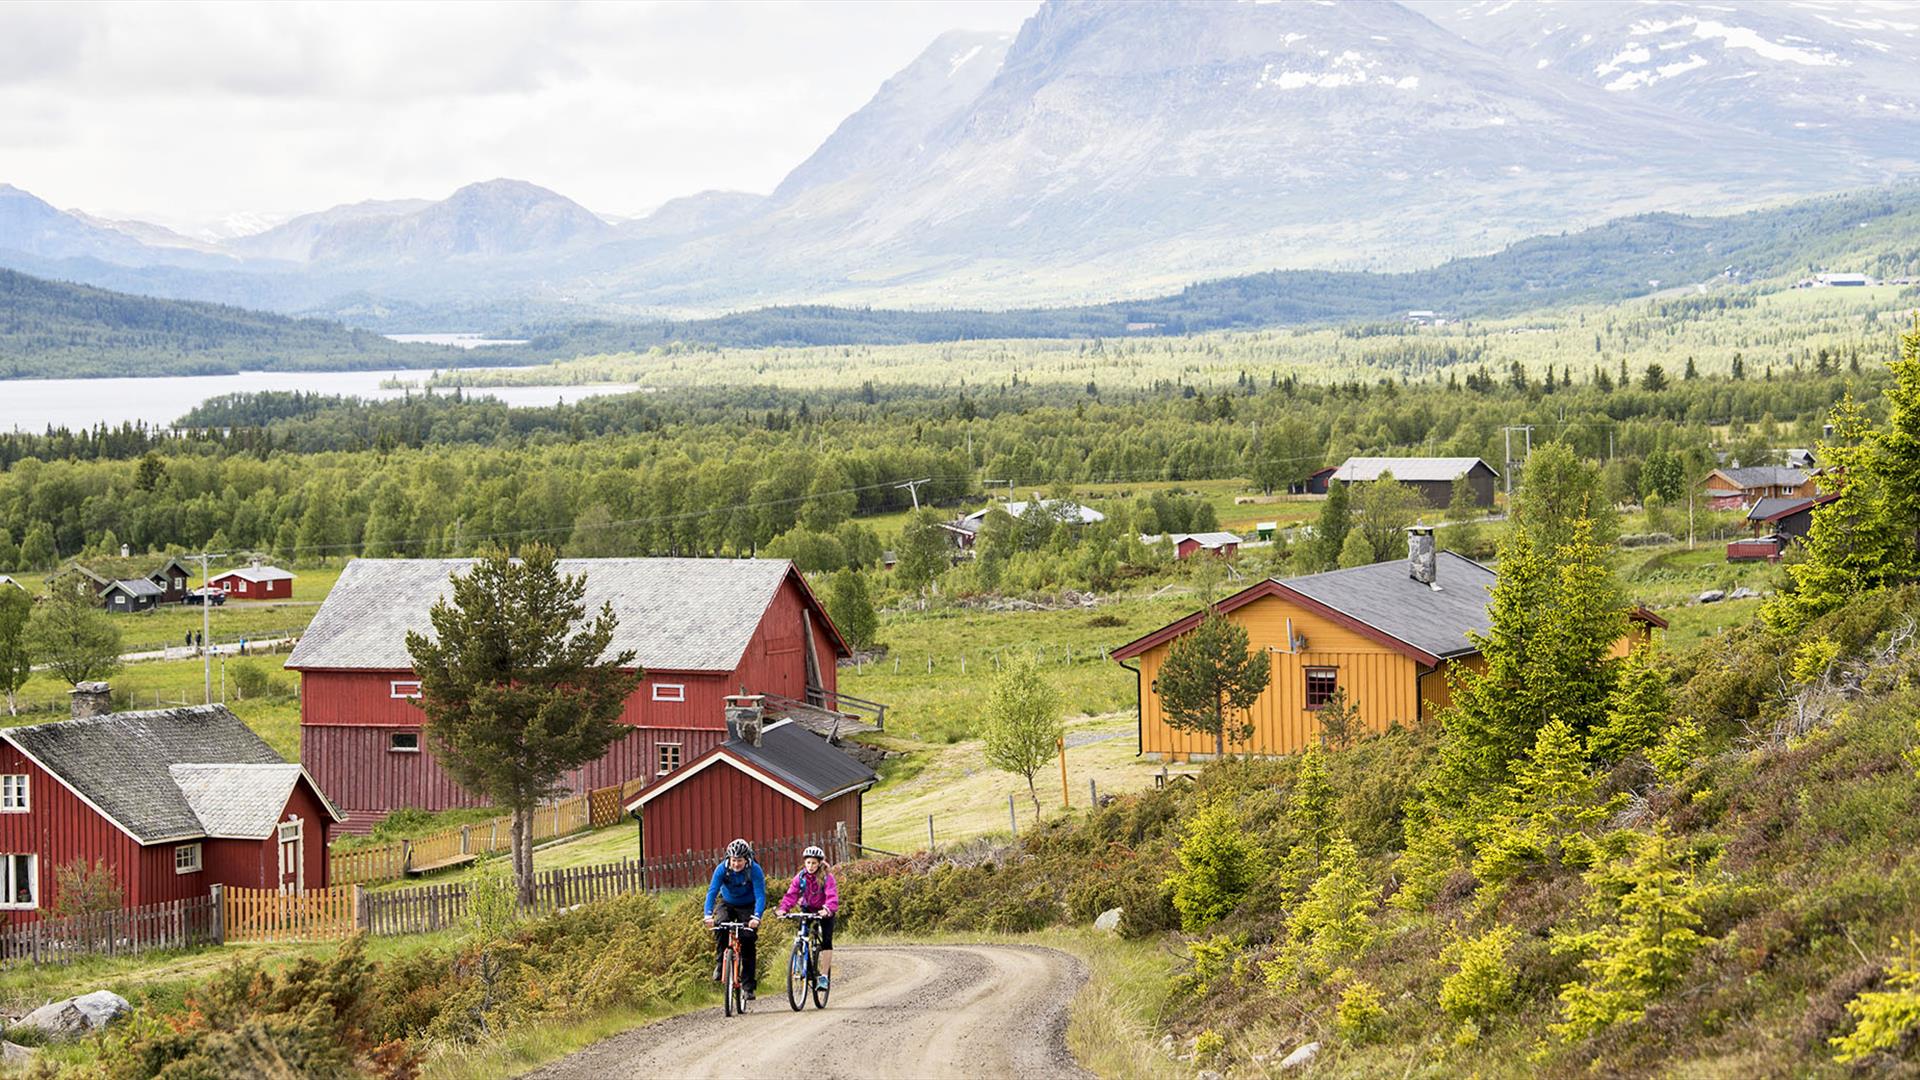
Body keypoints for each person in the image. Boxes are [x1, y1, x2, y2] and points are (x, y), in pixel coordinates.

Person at [704, 838, 766, 998]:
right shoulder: (721, 869)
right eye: (733, 860)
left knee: (748, 939)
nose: (736, 864)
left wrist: (756, 917)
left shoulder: (755, 870)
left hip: (748, 905)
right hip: (728, 903)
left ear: (747, 859)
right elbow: (712, 892)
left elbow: (760, 895)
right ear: (728, 859)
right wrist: (707, 915)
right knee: (720, 925)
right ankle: (720, 964)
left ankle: (748, 986)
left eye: (739, 860)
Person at [776, 844, 839, 991]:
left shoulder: (827, 877)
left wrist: (828, 909)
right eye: (808, 862)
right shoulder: (800, 877)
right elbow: (791, 895)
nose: (811, 866)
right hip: (807, 908)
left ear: (820, 864)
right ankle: (800, 960)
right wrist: (783, 909)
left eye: (814, 863)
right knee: (801, 935)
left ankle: (823, 976)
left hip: (824, 910)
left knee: (827, 941)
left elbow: (832, 895)